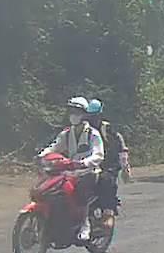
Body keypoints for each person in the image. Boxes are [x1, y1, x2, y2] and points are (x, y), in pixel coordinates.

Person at [38, 96, 104, 240]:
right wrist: (41, 155)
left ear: (85, 114)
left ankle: (85, 225)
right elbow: (54, 147)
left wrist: (84, 163)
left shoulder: (93, 134)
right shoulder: (66, 133)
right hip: (69, 172)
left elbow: (98, 155)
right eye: (72, 111)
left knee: (82, 192)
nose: (74, 115)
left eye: (77, 112)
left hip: (88, 172)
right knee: (50, 188)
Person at [85, 98, 129, 231]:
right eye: (90, 116)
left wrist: (125, 166)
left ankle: (108, 212)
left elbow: (121, 146)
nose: (92, 119)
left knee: (106, 181)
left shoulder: (107, 129)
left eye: (95, 116)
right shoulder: (82, 129)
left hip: (107, 165)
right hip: (87, 163)